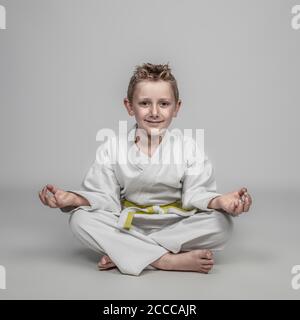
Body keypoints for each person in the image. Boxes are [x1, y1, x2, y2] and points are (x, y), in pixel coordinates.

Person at [38, 63, 252, 276]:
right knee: (80, 219)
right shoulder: (112, 148)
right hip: (129, 224)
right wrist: (73, 199)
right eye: (144, 103)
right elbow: (104, 197)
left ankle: (127, 252)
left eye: (164, 104)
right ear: (129, 106)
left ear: (177, 107)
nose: (154, 112)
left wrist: (221, 202)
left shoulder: (189, 149)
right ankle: (166, 260)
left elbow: (197, 194)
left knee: (222, 223)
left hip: (177, 225)